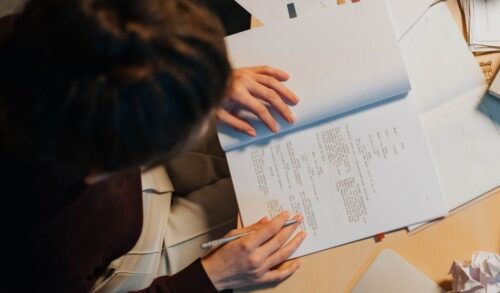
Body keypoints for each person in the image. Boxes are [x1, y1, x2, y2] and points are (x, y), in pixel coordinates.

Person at [0, 0, 306, 292]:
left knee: (264, 157)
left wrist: (200, 77)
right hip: (119, 253)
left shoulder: (42, 35)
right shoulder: (49, 252)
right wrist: (212, 276)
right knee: (273, 206)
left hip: (118, 188)